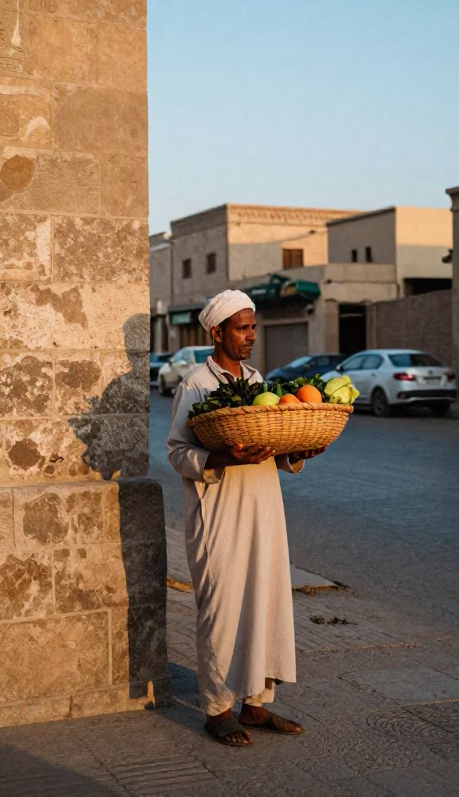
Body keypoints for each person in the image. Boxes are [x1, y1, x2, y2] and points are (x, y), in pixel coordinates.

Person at [166, 289, 327, 747]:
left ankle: (255, 705)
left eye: (253, 327)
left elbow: (271, 446)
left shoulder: (258, 382)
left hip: (264, 508)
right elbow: (178, 453)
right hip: (218, 513)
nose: (250, 336)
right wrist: (223, 455)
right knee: (221, 608)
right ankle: (217, 710)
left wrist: (298, 453)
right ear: (217, 332)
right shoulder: (195, 383)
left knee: (264, 601)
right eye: (242, 327)